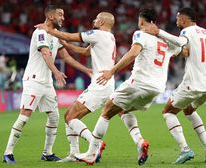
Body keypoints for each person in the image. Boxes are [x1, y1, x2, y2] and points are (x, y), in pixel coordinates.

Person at [73, 8, 184, 165]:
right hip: (157, 88)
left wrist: (112, 71)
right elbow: (183, 49)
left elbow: (133, 53)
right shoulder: (166, 42)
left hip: (139, 82)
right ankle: (139, 142)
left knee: (106, 111)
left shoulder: (140, 34)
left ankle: (91, 153)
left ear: (141, 21)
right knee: (122, 110)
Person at [35, 12, 145, 163]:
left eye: (96, 18)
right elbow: (86, 52)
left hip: (100, 84)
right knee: (118, 112)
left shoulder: (97, 34)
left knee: (69, 117)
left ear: (101, 22)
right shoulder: (110, 37)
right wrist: (66, 45)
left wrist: (49, 30)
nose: (94, 20)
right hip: (108, 83)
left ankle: (95, 145)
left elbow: (69, 36)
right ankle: (75, 153)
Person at [2, 5, 91, 164]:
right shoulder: (40, 33)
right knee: (24, 116)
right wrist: (56, 72)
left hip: (47, 83)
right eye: (60, 15)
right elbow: (45, 53)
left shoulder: (55, 36)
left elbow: (67, 58)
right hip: (34, 80)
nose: (63, 18)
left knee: (54, 117)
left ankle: (47, 152)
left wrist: (87, 70)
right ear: (51, 17)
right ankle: (8, 153)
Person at [143, 7, 206, 164]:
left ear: (185, 20)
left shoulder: (187, 32)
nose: (176, 21)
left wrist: (158, 32)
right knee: (189, 110)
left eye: (178, 18)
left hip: (192, 84)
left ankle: (185, 150)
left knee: (168, 112)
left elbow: (180, 42)